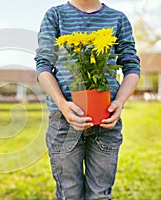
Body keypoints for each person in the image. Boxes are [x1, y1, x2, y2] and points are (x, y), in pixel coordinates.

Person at [35, 0, 140, 199]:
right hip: (64, 121)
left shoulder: (118, 19)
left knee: (100, 195)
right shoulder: (55, 15)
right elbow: (43, 65)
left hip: (106, 121)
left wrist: (119, 102)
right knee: (69, 194)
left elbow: (131, 66)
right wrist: (62, 104)